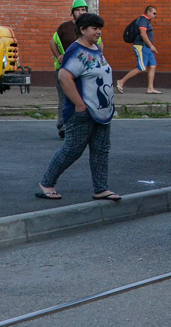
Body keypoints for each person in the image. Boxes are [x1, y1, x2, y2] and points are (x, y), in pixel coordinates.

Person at [37, 12, 121, 202]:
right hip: (83, 112)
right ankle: (47, 183)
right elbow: (64, 77)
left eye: (100, 28)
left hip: (101, 111)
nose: (98, 32)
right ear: (82, 30)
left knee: (101, 150)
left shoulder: (95, 48)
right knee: (72, 150)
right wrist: (79, 104)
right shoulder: (76, 51)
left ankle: (101, 189)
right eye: (94, 28)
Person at [50, 0, 90, 139]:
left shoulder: (89, 28)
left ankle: (80, 125)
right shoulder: (64, 27)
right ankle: (63, 126)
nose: (80, 12)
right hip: (64, 69)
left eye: (83, 10)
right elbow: (53, 42)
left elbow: (99, 45)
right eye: (78, 10)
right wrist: (58, 56)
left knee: (83, 97)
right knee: (64, 98)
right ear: (72, 12)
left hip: (83, 70)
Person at [117, 5, 159, 94]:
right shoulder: (143, 20)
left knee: (153, 66)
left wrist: (150, 46)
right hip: (141, 46)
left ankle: (150, 88)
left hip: (147, 47)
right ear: (148, 12)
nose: (155, 15)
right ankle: (121, 81)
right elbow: (143, 34)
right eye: (154, 13)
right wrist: (151, 46)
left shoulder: (147, 21)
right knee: (141, 67)